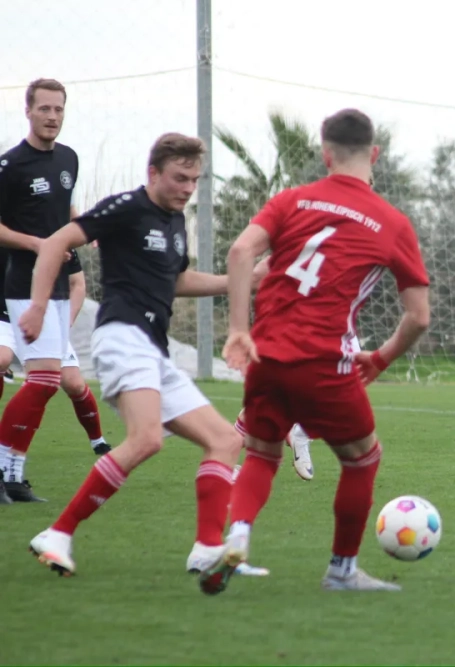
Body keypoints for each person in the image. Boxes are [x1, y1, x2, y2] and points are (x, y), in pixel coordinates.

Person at [198, 108, 430, 595]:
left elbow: (240, 252)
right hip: (324, 362)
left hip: (265, 356)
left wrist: (239, 329)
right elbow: (418, 316)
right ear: (375, 154)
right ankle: (342, 571)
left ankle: (237, 537)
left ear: (326, 154)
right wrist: (381, 357)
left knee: (261, 453)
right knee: (363, 459)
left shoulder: (291, 200)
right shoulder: (391, 223)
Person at [21, 132, 264, 578]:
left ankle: (207, 548)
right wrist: (38, 306)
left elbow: (177, 281)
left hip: (153, 350)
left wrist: (245, 281)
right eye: (179, 178)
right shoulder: (126, 207)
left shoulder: (175, 223)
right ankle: (57, 534)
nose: (188, 188)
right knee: (147, 438)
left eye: (194, 180)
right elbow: (57, 242)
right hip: (122, 336)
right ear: (153, 173)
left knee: (226, 441)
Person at [0, 78, 109, 503]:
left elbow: (63, 209)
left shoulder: (68, 158)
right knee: (44, 379)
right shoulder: (10, 166)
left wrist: (85, 230)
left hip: (61, 283)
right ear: (28, 111)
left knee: (46, 383)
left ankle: (13, 477)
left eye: (58, 109)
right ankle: (4, 468)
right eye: (44, 108)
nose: (52, 116)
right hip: (23, 282)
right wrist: (38, 245)